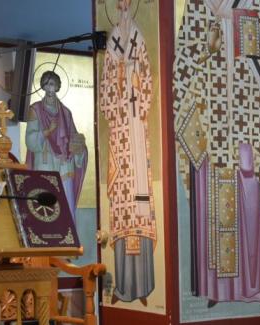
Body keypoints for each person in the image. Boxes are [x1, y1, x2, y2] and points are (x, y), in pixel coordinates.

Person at [172, 0, 260, 308]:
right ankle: (216, 290)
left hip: (247, 117)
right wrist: (207, 47)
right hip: (210, 115)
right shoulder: (198, 3)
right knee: (213, 201)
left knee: (249, 199)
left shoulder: (254, 3)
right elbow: (182, 61)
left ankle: (251, 287)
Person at [99, 0, 157, 306]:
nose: (122, 10)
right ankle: (122, 287)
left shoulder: (138, 38)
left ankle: (143, 287)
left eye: (126, 5)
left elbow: (146, 79)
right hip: (121, 131)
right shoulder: (112, 44)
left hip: (137, 132)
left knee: (140, 208)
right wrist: (120, 80)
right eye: (119, 5)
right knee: (122, 209)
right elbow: (107, 85)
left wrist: (134, 78)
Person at [24, 70, 87, 212]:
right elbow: (30, 140)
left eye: (52, 84)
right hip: (45, 162)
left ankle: (67, 226)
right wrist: (47, 131)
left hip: (64, 164)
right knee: (46, 207)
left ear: (58, 87)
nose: (49, 88)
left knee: (66, 204)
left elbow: (74, 139)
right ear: (42, 86)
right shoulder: (35, 110)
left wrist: (79, 147)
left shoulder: (66, 113)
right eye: (46, 84)